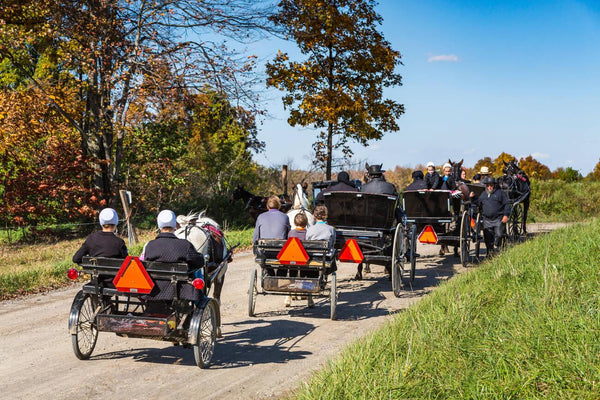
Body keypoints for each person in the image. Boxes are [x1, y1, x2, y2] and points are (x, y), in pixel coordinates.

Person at [305, 205, 336, 307]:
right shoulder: (331, 229)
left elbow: (307, 242)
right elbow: (332, 243)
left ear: (314, 216)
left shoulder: (310, 229)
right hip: (324, 258)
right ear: (326, 216)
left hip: (313, 257)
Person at [471, 177, 510, 257]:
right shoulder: (483, 194)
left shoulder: (500, 193)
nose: (489, 187)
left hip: (498, 219)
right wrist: (473, 198)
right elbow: (478, 202)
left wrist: (506, 215)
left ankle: (500, 247)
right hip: (487, 220)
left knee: (499, 235)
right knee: (488, 238)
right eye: (488, 185)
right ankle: (490, 253)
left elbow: (506, 204)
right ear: (486, 186)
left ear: (494, 185)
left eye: (491, 185)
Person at [284, 212, 309, 306]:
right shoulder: (308, 233)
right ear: (306, 224)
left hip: (292, 260)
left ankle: (289, 295)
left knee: (292, 272)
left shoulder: (291, 233)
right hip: (304, 261)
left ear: (294, 223)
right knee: (304, 272)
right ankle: (304, 292)